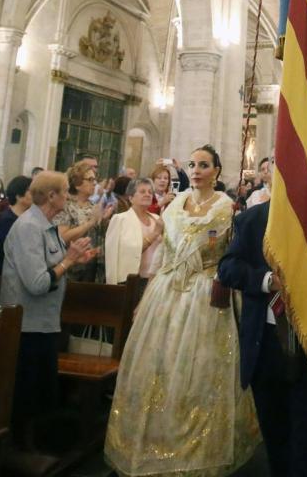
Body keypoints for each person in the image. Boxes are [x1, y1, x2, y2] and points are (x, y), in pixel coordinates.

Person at [104, 145, 258, 477]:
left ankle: (201, 448)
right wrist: (146, 300)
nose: (198, 170)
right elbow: (164, 254)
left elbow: (233, 255)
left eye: (204, 165)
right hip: (168, 292)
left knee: (199, 368)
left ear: (216, 170)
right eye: (193, 164)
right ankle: (152, 441)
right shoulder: (174, 206)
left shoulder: (227, 208)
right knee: (157, 365)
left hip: (206, 294)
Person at [218, 178, 307, 477]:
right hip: (266, 342)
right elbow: (227, 267)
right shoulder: (252, 220)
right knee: (275, 433)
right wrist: (266, 280)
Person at [0, 171, 96, 443]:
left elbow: (51, 264)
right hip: (25, 325)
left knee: (42, 395)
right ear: (51, 196)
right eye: (65, 191)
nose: (68, 196)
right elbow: (38, 282)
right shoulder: (29, 226)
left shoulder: (47, 225)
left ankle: (34, 447)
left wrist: (74, 259)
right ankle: (19, 452)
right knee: (27, 397)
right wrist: (68, 262)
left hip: (42, 323)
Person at [56, 162, 113, 282]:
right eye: (90, 179)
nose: (95, 183)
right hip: (71, 269)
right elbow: (62, 237)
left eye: (95, 179)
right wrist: (91, 222)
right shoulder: (66, 206)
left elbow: (97, 235)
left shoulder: (93, 206)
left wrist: (104, 221)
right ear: (77, 184)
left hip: (93, 266)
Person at [105, 177, 163, 284]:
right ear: (131, 198)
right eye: (142, 192)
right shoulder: (120, 219)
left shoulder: (156, 218)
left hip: (155, 279)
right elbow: (112, 256)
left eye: (150, 192)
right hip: (130, 279)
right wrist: (155, 233)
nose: (148, 194)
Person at [0, 175, 33, 274]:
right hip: (8, 271)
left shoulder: (29, 217)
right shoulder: (6, 219)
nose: (34, 195)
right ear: (19, 196)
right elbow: (10, 250)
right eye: (30, 191)